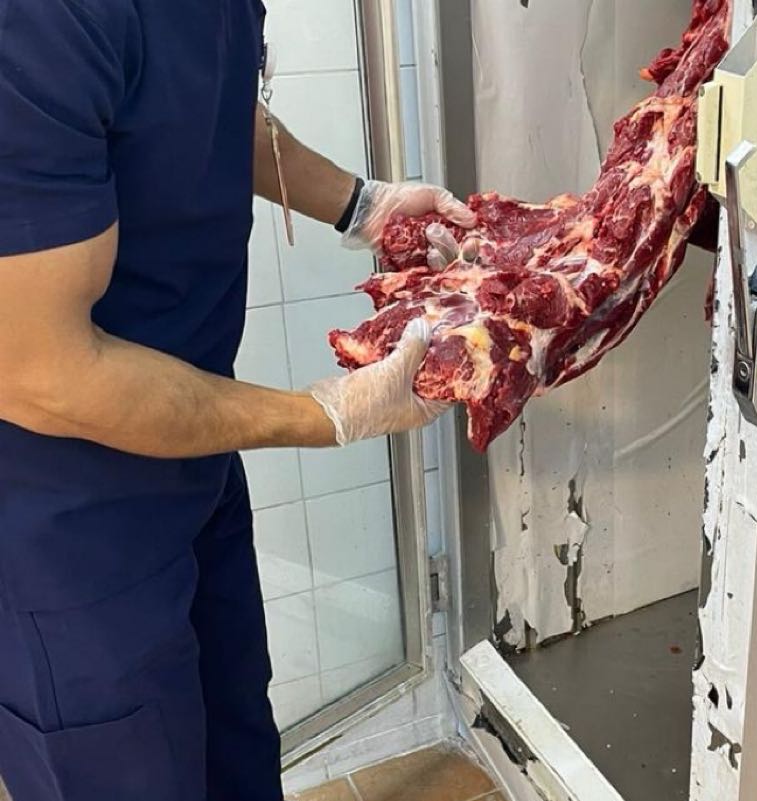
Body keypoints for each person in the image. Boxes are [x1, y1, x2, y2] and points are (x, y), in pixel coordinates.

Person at [0, 2, 471, 799]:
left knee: (238, 749)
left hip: (190, 459)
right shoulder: (39, 23)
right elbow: (40, 370)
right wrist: (325, 413)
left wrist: (361, 204)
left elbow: (213, 113)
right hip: (65, 520)